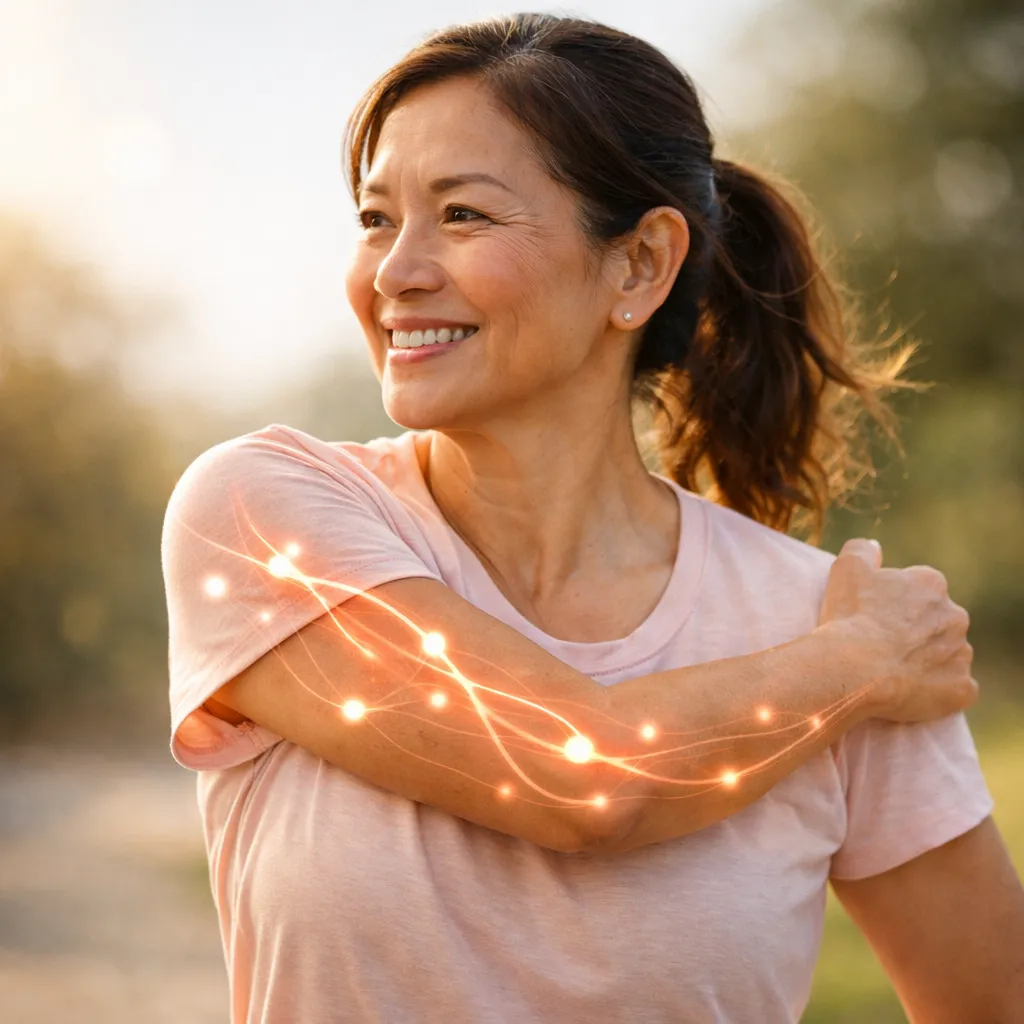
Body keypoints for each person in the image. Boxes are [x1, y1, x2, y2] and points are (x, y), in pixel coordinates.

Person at [162, 13, 1024, 1023]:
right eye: (375, 218)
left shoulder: (820, 611)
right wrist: (857, 668)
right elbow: (580, 774)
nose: (395, 270)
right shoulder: (260, 517)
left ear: (639, 266)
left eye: (464, 215)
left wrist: (857, 656)